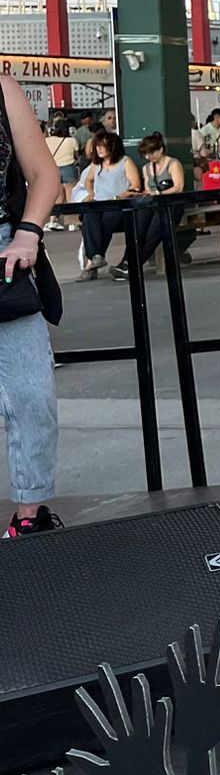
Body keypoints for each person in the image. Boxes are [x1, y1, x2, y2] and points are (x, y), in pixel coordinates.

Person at [1, 75, 63, 537]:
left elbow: (44, 174)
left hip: (5, 253)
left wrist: (28, 232)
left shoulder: (2, 89)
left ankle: (30, 518)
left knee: (32, 396)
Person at [121, 131, 188, 277]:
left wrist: (159, 194)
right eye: (146, 154)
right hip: (151, 203)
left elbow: (178, 186)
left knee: (153, 233)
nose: (148, 157)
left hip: (170, 203)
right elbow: (147, 187)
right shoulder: (147, 168)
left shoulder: (173, 163)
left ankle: (136, 264)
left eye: (151, 153)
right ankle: (126, 261)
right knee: (138, 228)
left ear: (161, 150)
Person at [76, 130, 140, 278]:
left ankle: (93, 261)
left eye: (102, 145)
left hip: (119, 205)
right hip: (99, 204)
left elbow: (135, 185)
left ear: (113, 146)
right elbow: (88, 180)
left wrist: (120, 196)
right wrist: (90, 193)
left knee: (106, 221)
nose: (99, 149)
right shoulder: (96, 165)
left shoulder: (125, 162)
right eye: (97, 146)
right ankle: (96, 256)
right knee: (89, 216)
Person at [45, 118, 79, 189]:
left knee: (58, 194)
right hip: (68, 168)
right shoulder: (72, 140)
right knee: (70, 193)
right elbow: (76, 155)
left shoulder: (47, 140)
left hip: (53, 168)